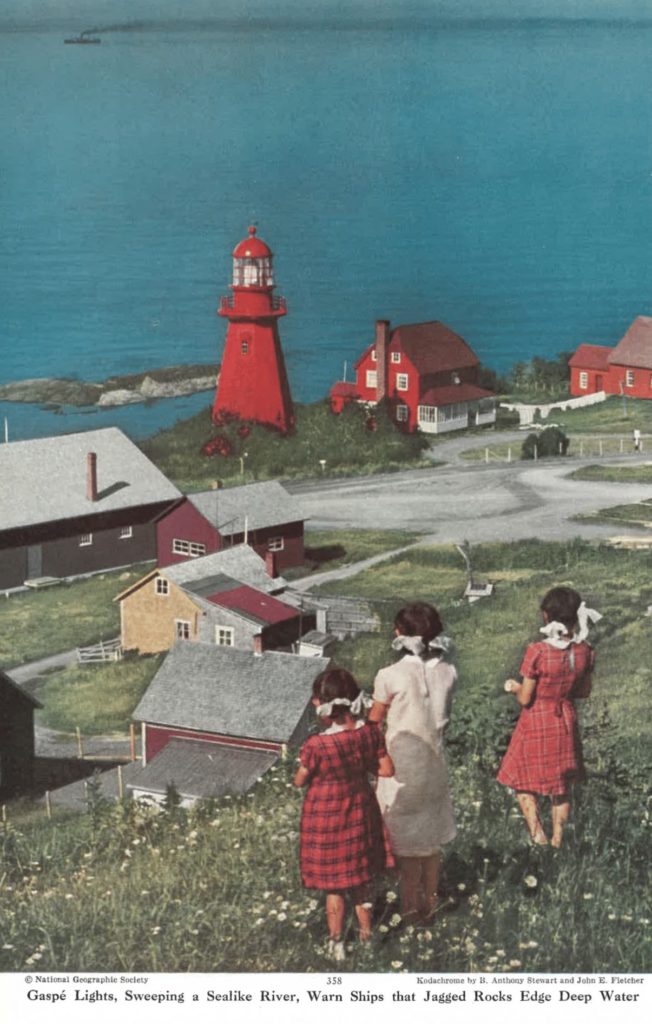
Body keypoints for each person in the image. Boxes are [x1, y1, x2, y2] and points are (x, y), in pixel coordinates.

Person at [294, 667, 394, 961]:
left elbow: (301, 780)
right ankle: (367, 937)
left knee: (334, 886)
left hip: (326, 818)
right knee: (361, 879)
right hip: (360, 811)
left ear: (323, 706)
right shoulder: (369, 733)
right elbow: (386, 769)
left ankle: (336, 943)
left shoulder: (317, 745)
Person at [368, 603, 457, 924]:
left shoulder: (390, 675)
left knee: (405, 846)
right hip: (434, 765)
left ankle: (408, 912)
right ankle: (429, 906)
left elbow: (374, 720)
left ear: (398, 634)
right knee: (430, 844)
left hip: (400, 765)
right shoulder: (448, 672)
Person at [497, 586, 600, 848]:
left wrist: (513, 687)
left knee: (522, 778)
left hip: (537, 719)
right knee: (561, 785)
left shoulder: (539, 651)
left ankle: (537, 836)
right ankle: (558, 841)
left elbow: (525, 698)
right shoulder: (584, 650)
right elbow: (584, 691)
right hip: (565, 717)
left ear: (546, 616)